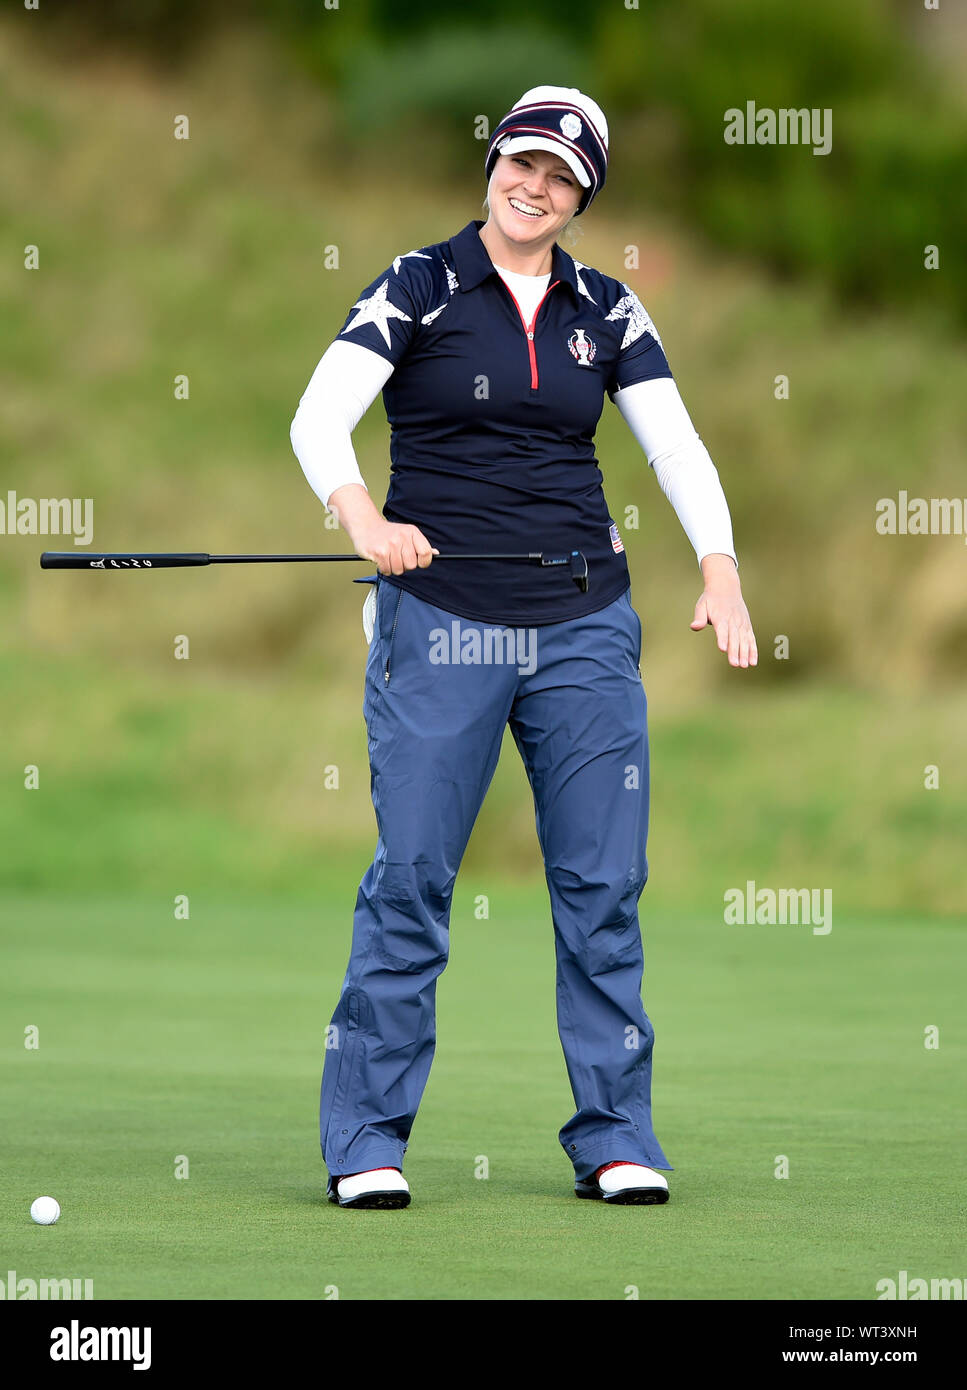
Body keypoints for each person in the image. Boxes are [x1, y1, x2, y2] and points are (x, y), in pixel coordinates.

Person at [290, 85, 756, 1211]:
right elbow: (319, 417)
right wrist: (366, 521)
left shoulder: (610, 309)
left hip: (586, 621)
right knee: (411, 880)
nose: (532, 185)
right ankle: (365, 1139)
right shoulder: (417, 284)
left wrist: (720, 565)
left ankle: (615, 1133)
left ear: (582, 194)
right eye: (520, 161)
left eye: (559, 173)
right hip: (442, 614)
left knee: (603, 883)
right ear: (492, 163)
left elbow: (676, 447)